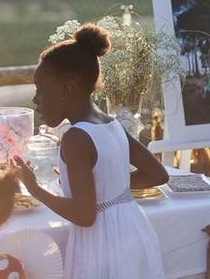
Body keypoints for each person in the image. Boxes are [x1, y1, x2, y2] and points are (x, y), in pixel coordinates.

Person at [13, 24, 168, 279]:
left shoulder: (75, 139)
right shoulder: (112, 124)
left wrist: (34, 189)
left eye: (40, 90)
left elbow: (85, 216)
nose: (35, 100)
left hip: (102, 246)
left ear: (65, 89)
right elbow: (158, 174)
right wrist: (104, 184)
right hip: (132, 232)